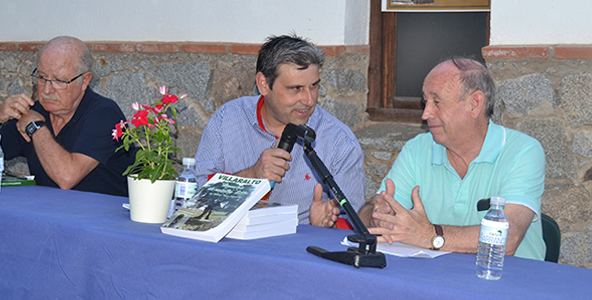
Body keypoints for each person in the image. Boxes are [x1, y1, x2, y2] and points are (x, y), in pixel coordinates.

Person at [358, 57, 546, 260]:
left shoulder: (522, 151)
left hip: (507, 282)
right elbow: (366, 214)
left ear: (475, 104)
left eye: (437, 102)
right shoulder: (417, 149)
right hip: (436, 281)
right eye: (425, 101)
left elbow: (507, 238)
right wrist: (378, 217)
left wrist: (430, 236)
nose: (426, 113)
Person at [195, 34, 365, 227]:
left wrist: (325, 226)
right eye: (296, 88)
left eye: (314, 86)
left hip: (297, 250)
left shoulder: (339, 141)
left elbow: (354, 223)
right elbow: (199, 199)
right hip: (231, 245)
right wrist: (252, 176)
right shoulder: (228, 118)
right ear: (264, 84)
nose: (309, 100)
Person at [0, 36, 135, 197]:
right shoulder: (33, 112)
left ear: (85, 81)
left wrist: (35, 128)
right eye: (42, 77)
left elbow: (66, 178)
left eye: (59, 81)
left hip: (103, 219)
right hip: (50, 214)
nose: (46, 90)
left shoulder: (104, 114)